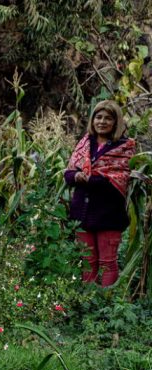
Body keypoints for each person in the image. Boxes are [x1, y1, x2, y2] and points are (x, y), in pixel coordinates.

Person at [65, 100, 136, 287]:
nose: (102, 122)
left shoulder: (125, 146)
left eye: (108, 118)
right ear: (92, 120)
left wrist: (89, 179)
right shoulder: (85, 143)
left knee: (107, 263)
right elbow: (68, 173)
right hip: (82, 213)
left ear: (116, 122)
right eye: (98, 117)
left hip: (108, 215)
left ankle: (107, 300)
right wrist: (77, 176)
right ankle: (89, 301)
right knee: (87, 262)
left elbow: (120, 179)